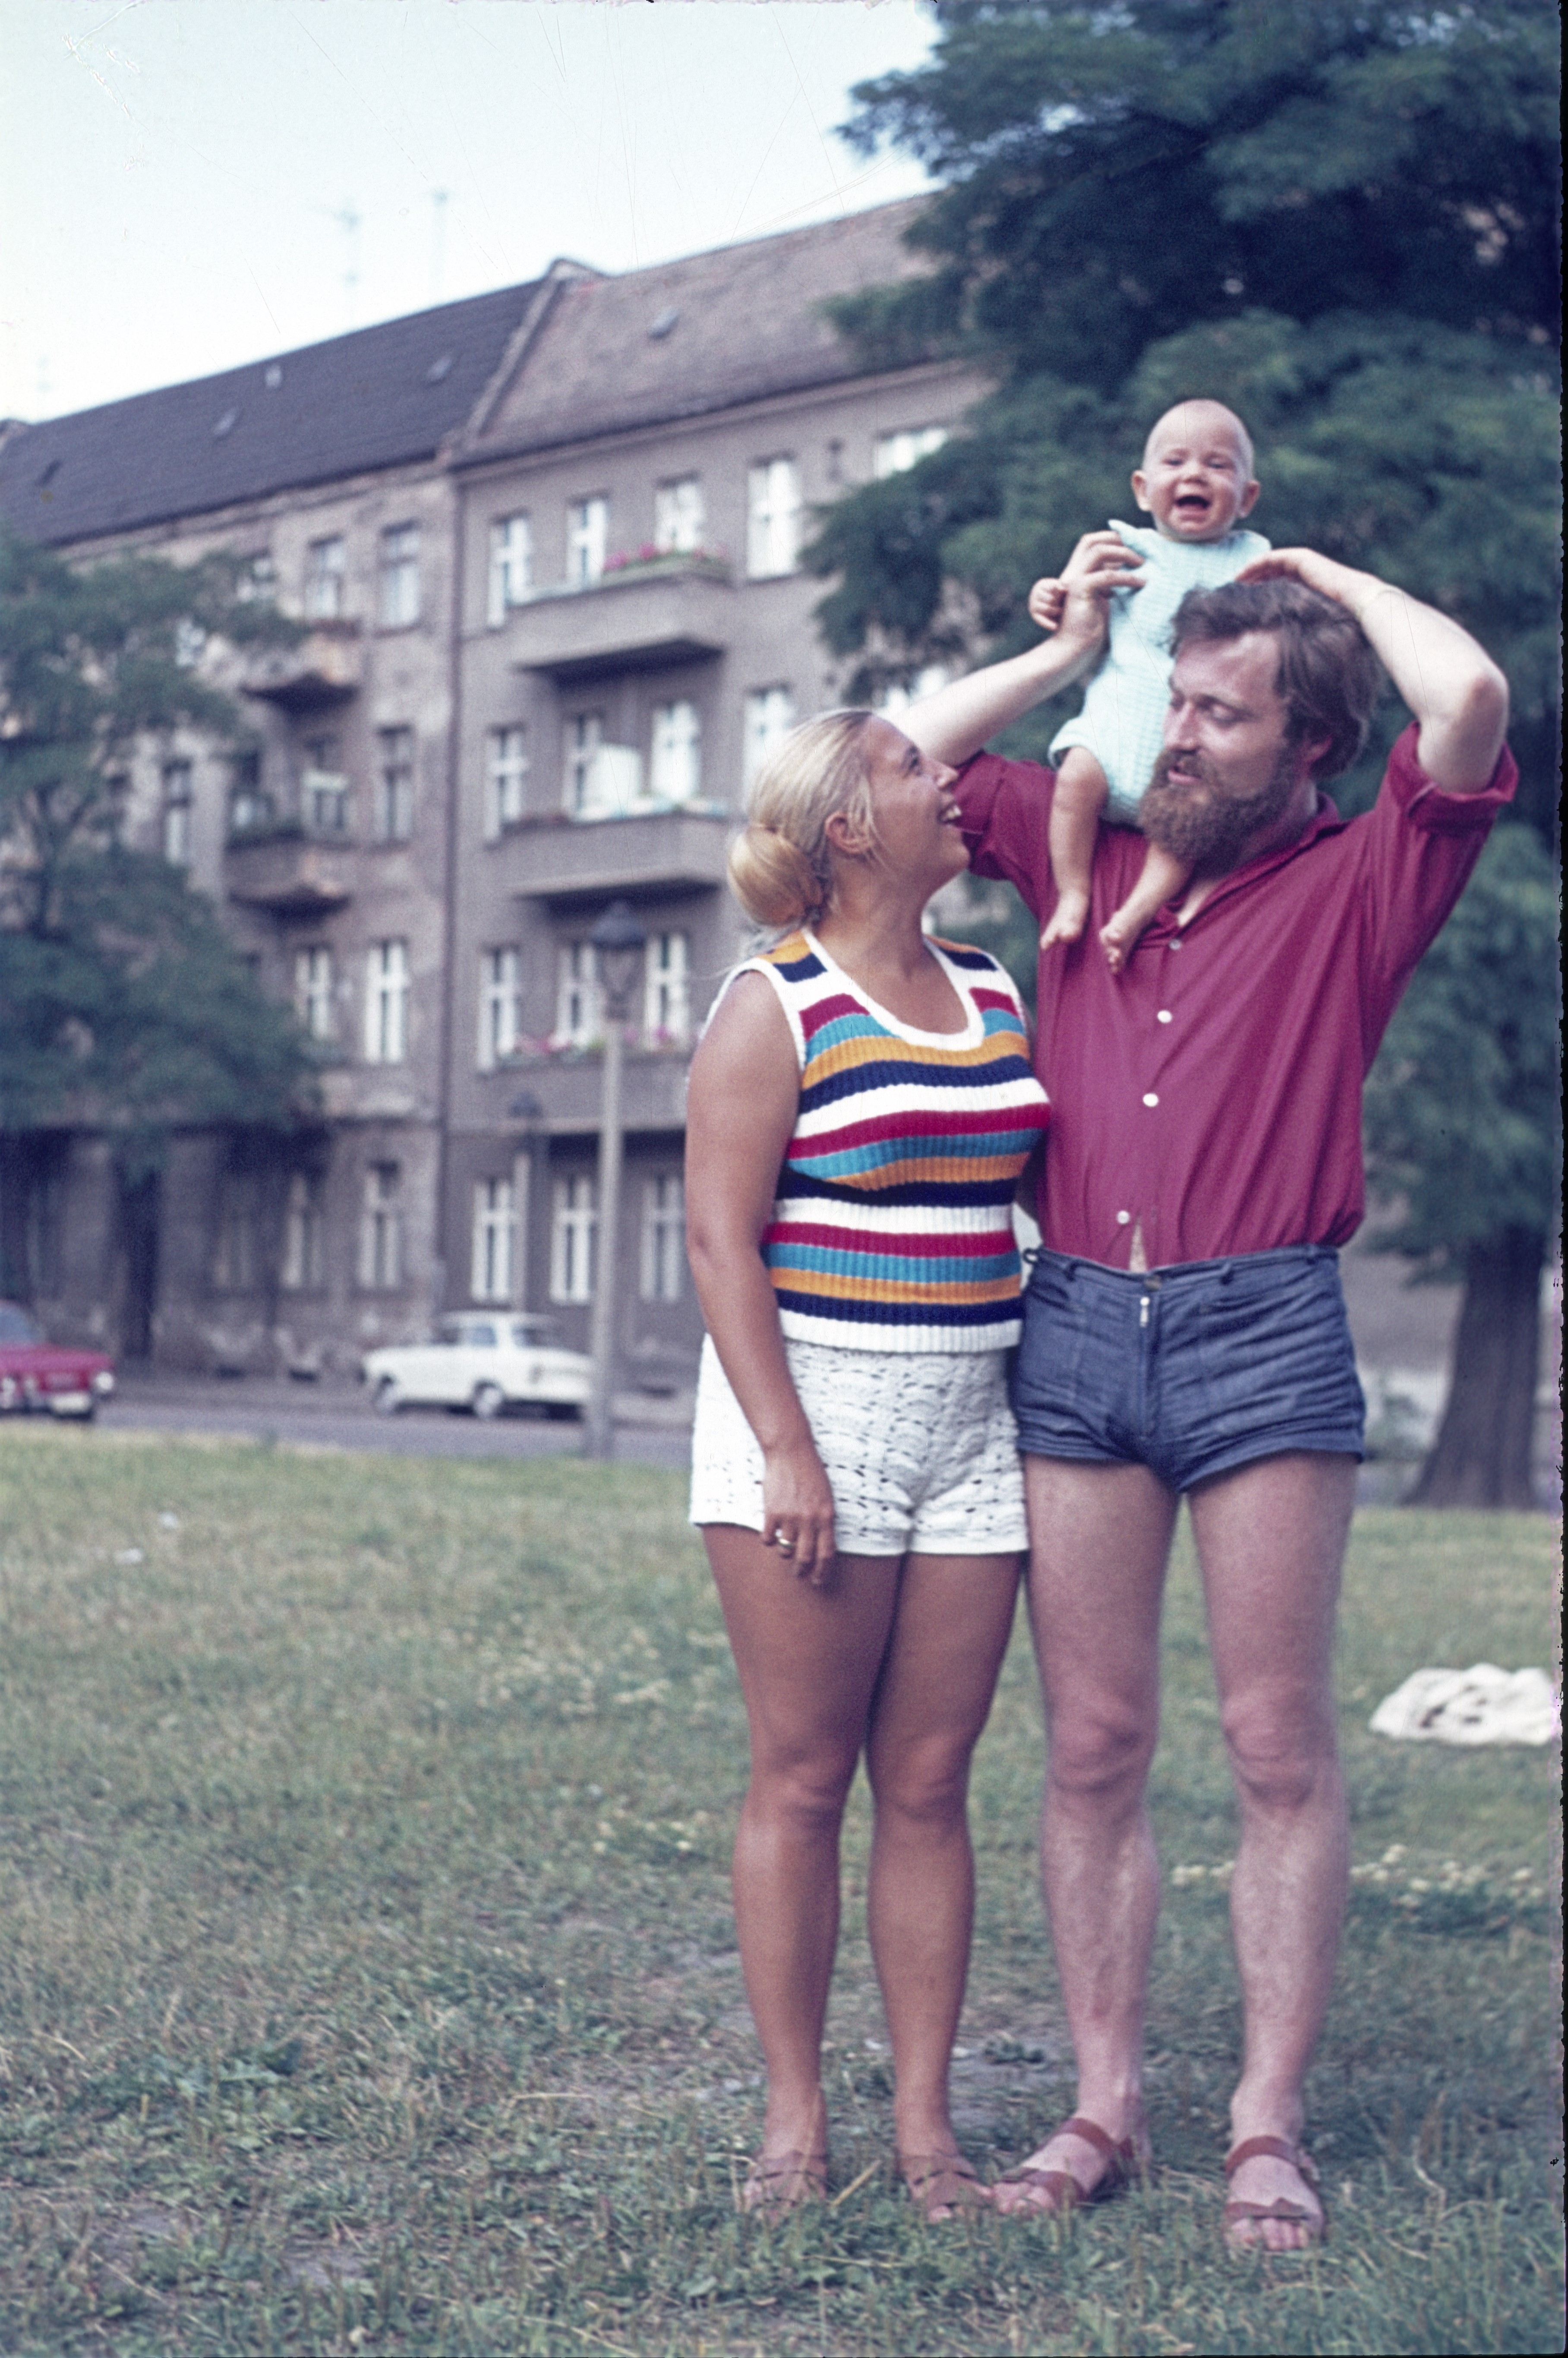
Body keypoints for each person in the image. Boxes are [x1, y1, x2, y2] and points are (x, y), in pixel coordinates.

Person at [901, 542, 1514, 2248]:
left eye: (1221, 714)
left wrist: (1310, 565)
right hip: (1076, 1326)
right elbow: (901, 762)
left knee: (1271, 1744)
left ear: (1302, 746)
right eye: (1174, 699)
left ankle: (1262, 2121)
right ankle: (1100, 2104)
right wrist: (1068, 652)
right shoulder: (1083, 841)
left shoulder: (1365, 875)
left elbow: (1460, 698)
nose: (1178, 735)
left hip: (1262, 1330)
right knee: (1090, 1744)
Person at [683, 691, 1080, 2219]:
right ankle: (794, 2122)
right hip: (811, 1421)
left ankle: (927, 2132)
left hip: (974, 1417)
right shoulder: (768, 1002)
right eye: (918, 770)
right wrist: (786, 1445)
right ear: (849, 826)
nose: (954, 786)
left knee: (928, 1781)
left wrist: (1072, 649)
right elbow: (721, 1240)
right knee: (800, 1777)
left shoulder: (990, 984)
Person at [1037, 398, 1268, 969]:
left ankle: (1136, 912)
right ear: (1142, 489)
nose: (1193, 474)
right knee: (1072, 786)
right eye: (1175, 462)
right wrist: (1049, 594)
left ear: (1246, 497)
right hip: (1113, 728)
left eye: (1217, 465)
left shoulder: (1253, 562)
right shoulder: (1125, 549)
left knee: (1184, 833)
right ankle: (1073, 894)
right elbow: (1072, 598)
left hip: (1187, 750)